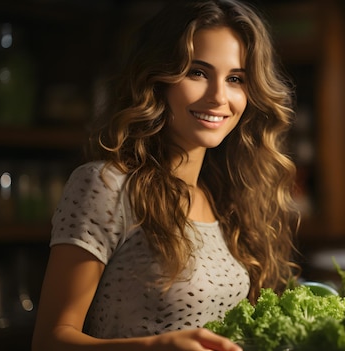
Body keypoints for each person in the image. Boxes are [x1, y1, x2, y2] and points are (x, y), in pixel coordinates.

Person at [31, 0, 300, 350]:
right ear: (159, 79)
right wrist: (154, 347)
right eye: (197, 72)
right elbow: (49, 341)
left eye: (235, 79)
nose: (219, 96)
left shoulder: (227, 198)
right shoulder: (106, 186)